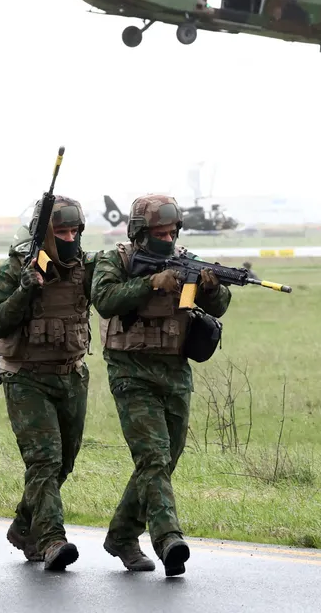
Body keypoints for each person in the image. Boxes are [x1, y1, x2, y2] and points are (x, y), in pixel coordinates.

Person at [90, 194, 232, 576]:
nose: (167, 239)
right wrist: (151, 282)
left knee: (166, 458)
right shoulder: (115, 260)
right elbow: (104, 299)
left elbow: (219, 306)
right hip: (130, 371)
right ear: (139, 232)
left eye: (171, 232)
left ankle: (121, 534)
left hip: (174, 370)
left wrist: (211, 288)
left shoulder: (184, 257)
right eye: (158, 232)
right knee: (151, 456)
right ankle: (168, 537)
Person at [0, 196, 94, 572]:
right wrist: (25, 290)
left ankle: (24, 525)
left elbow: (111, 296)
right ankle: (51, 541)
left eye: (73, 231)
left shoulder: (84, 268)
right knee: (44, 460)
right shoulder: (12, 271)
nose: (68, 238)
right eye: (60, 231)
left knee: (65, 462)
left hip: (71, 375)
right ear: (41, 235)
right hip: (26, 377)